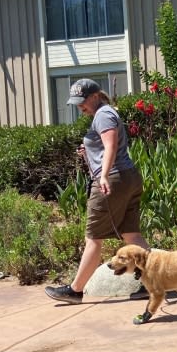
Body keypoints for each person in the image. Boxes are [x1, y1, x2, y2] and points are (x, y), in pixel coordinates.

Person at [45, 78, 150, 304]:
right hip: (127, 177)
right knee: (131, 234)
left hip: (112, 180)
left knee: (94, 237)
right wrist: (89, 152)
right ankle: (154, 280)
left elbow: (111, 145)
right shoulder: (105, 114)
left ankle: (75, 290)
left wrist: (103, 175)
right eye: (76, 103)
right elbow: (106, 147)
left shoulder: (103, 114)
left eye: (82, 101)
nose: (79, 106)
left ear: (95, 96)